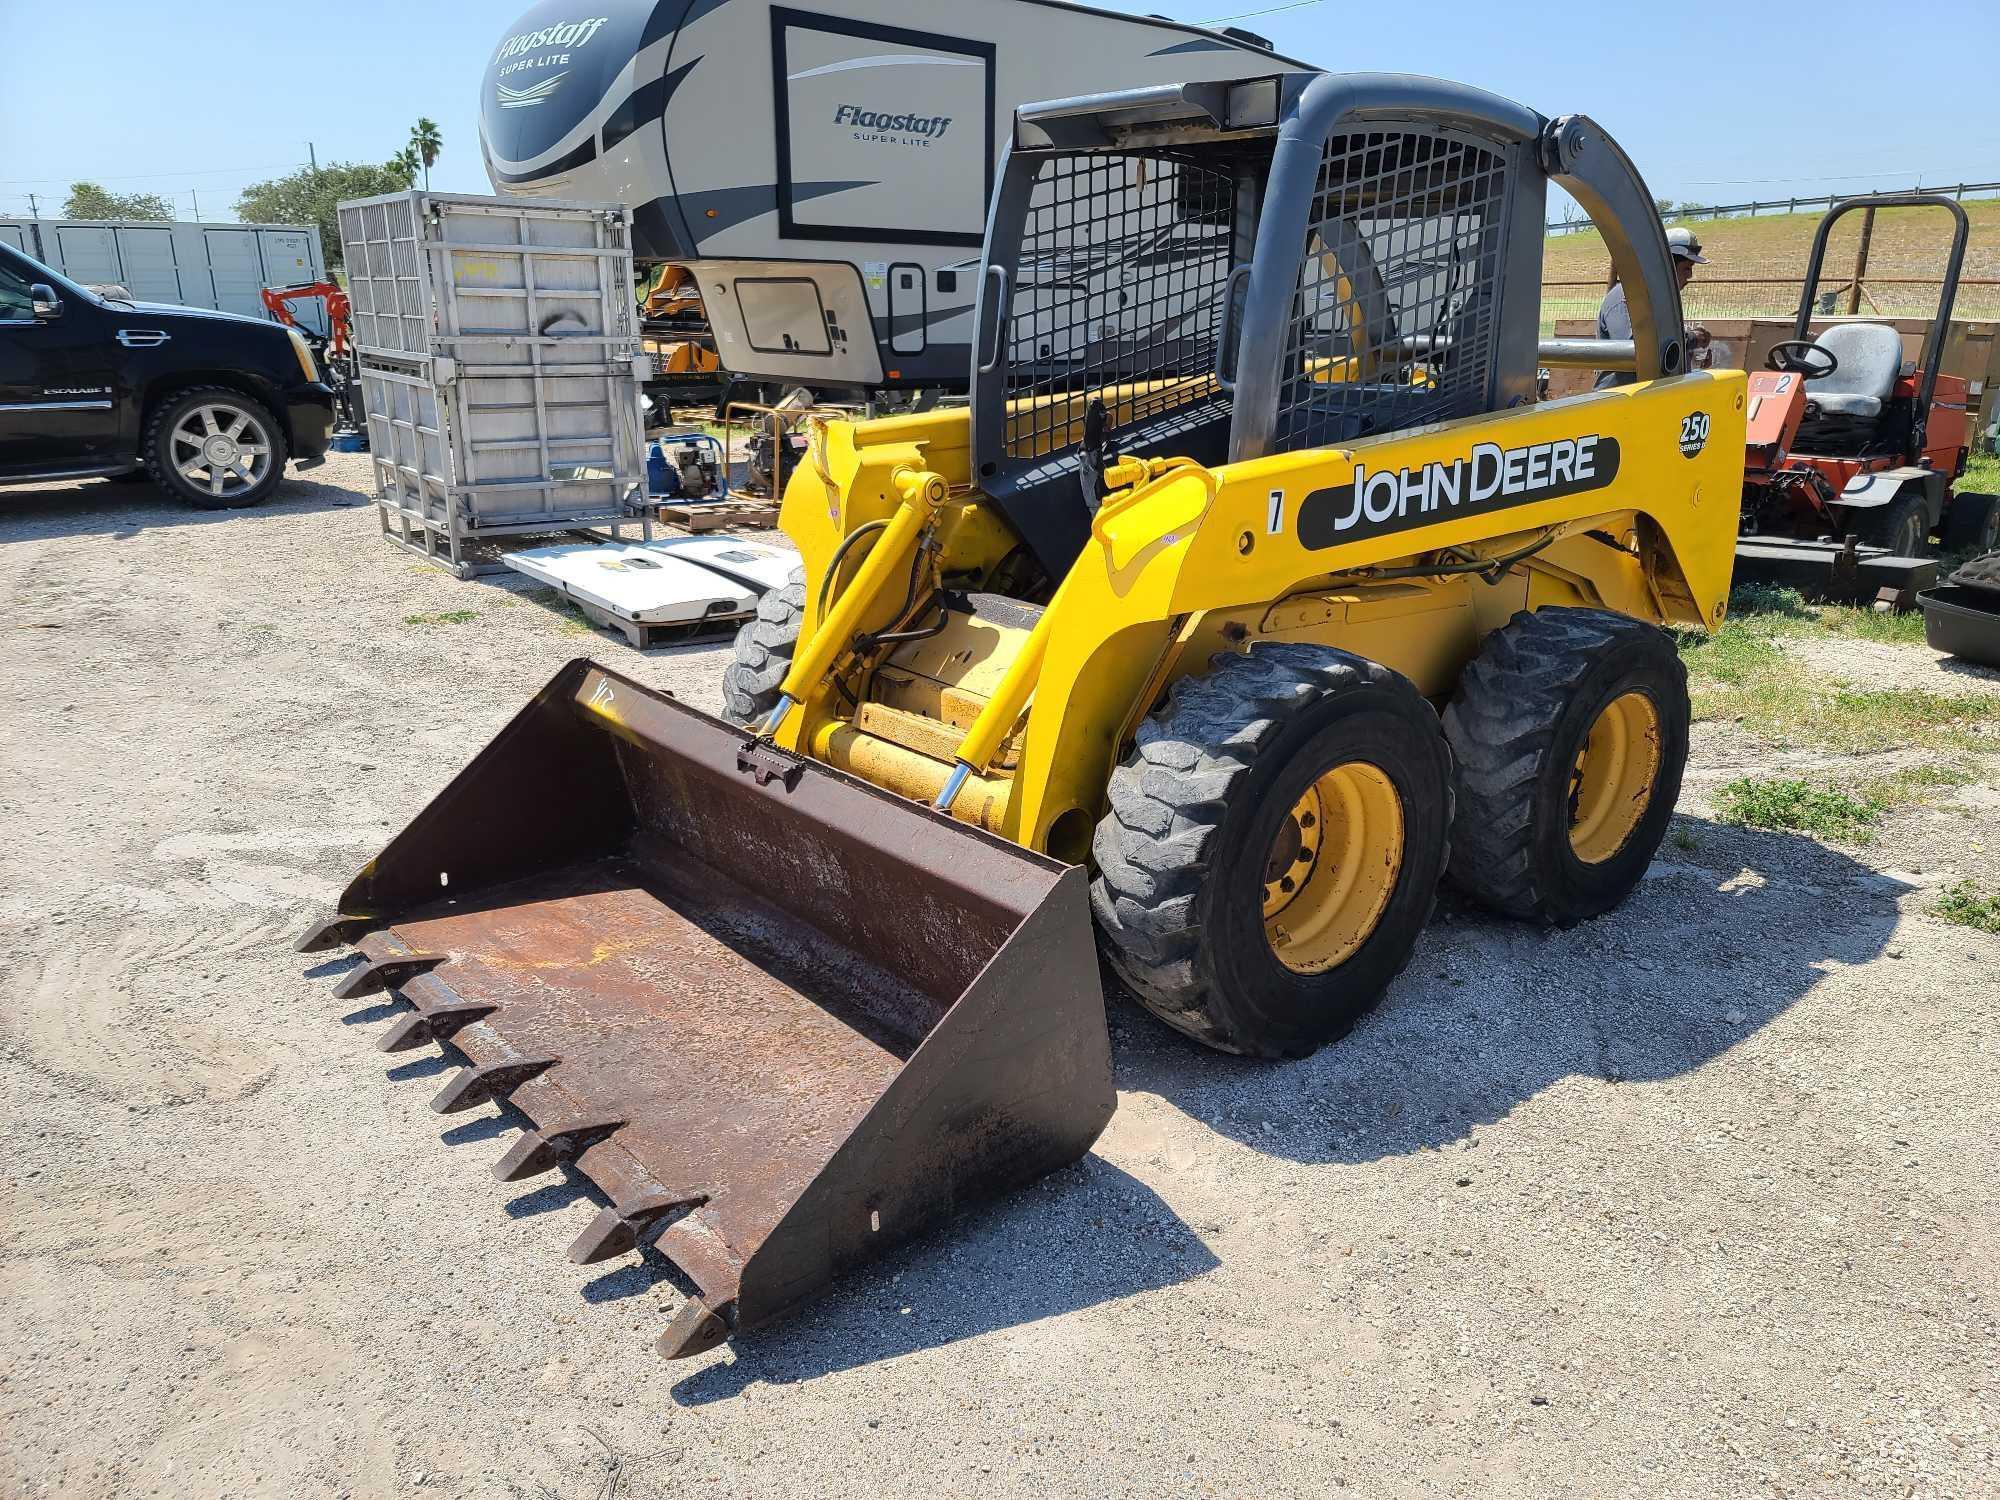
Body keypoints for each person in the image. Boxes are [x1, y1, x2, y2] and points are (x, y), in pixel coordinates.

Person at [1596, 226, 1709, 388]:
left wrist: (1691, 356)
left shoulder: (1659, 301)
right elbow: (1637, 347)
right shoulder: (1627, 297)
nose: (1690, 276)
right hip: (1620, 401)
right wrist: (1691, 339)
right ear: (1666, 267)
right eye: (1686, 268)